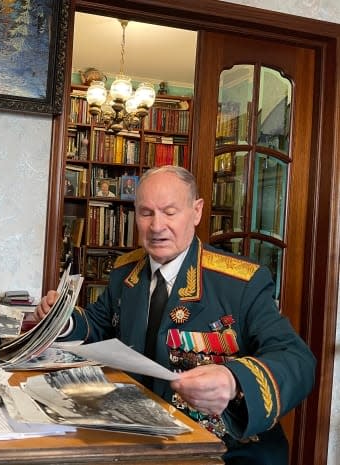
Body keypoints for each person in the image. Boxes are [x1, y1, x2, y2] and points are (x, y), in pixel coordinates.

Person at [35, 165, 315, 465]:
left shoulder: (242, 282)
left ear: (196, 212)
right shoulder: (124, 273)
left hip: (223, 450)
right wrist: (61, 319)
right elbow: (98, 324)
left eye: (170, 212)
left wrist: (234, 381)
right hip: (138, 439)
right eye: (146, 213)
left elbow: (297, 360)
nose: (157, 226)